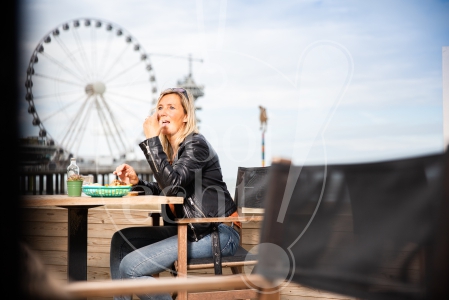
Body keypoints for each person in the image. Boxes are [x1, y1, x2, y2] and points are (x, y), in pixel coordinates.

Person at [109, 87, 241, 300]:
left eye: (172, 107)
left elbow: (172, 183)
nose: (163, 112)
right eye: (160, 107)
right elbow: (165, 188)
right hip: (190, 229)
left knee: (130, 268)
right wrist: (136, 182)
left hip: (218, 232)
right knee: (121, 240)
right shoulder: (175, 153)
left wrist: (152, 141)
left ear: (186, 117)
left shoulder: (196, 144)